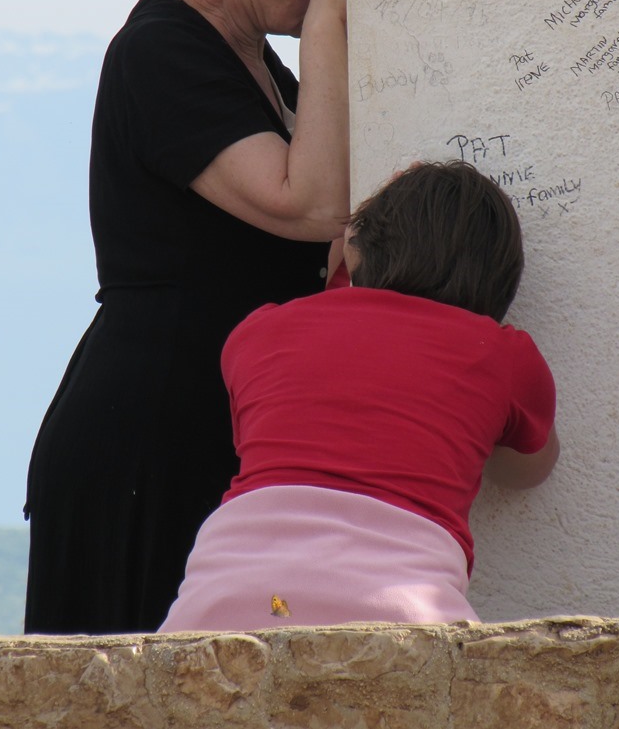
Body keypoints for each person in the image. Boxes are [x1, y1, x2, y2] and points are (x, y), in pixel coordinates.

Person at [24, 0, 363, 634]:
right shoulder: (162, 54)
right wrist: (327, 27)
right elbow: (312, 205)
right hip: (146, 438)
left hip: (209, 423)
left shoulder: (254, 61)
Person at [159, 161, 559, 631]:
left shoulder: (258, 331)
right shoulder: (502, 354)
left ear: (356, 246)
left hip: (223, 600)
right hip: (398, 610)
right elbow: (530, 469)